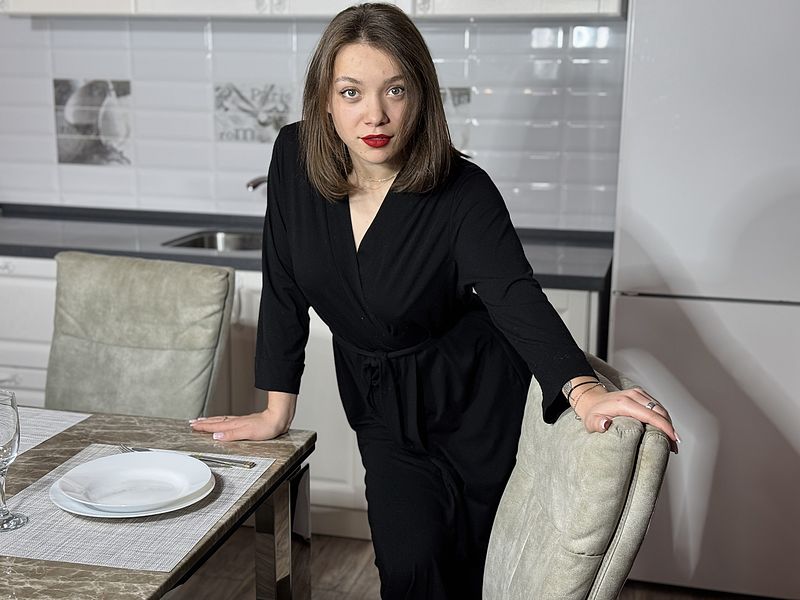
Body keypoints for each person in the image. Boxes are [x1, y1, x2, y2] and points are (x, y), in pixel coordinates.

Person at [190, 4, 679, 598]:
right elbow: (283, 286)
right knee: (408, 567)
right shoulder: (293, 159)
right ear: (325, 100)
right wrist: (276, 411)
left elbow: (513, 294)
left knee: (472, 568)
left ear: (420, 95)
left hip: (475, 401)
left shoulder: (464, 192)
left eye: (395, 90)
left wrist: (583, 388)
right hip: (379, 403)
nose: (375, 114)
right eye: (351, 92)